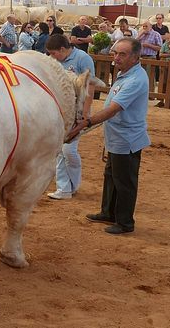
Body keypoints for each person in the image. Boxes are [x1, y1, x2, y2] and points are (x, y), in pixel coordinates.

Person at [69, 38, 150, 235]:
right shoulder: (125, 74)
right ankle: (108, 212)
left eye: (122, 54)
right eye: (115, 53)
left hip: (127, 137)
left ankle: (124, 222)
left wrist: (86, 122)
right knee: (111, 176)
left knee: (124, 181)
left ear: (135, 57)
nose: (117, 58)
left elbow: (114, 109)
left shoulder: (136, 79)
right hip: (116, 135)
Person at [45, 33, 95, 200]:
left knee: (68, 150)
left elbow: (90, 88)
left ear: (62, 49)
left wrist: (85, 113)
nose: (52, 57)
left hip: (76, 110)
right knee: (60, 150)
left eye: (53, 53)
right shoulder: (54, 61)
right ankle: (66, 187)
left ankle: (69, 185)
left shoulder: (83, 58)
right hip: (59, 110)